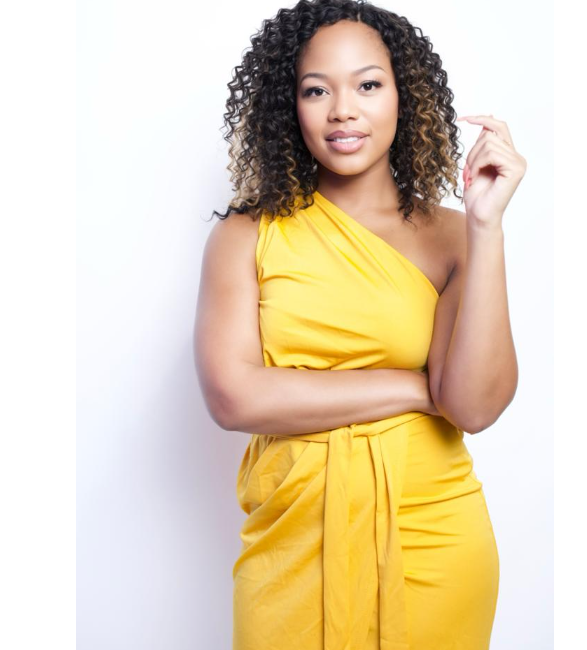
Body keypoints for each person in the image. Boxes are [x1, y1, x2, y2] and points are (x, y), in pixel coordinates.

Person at [193, 1, 526, 648]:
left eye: (368, 85)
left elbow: (475, 406)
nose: (342, 110)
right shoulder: (245, 236)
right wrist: (417, 388)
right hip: (291, 541)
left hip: (432, 537)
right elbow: (234, 398)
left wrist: (486, 226)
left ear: (406, 96)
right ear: (288, 105)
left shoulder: (453, 236)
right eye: (316, 90)